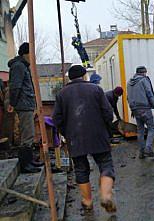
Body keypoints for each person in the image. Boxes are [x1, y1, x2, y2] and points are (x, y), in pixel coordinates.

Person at [52, 65, 116, 213]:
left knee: (81, 169)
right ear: (84, 76)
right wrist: (107, 130)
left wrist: (66, 133)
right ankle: (106, 196)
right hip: (98, 135)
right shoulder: (96, 89)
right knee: (105, 164)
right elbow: (108, 113)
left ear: (70, 78)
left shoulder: (61, 94)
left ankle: (87, 201)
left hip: (75, 138)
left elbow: (57, 119)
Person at [8, 42, 43, 173]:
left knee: (30, 134)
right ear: (25, 54)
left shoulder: (23, 66)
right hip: (23, 105)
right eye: (31, 53)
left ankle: (30, 161)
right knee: (27, 135)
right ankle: (25, 165)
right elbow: (15, 86)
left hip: (26, 104)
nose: (33, 56)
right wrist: (12, 103)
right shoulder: (19, 66)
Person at [127, 66, 154, 159]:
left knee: (140, 131)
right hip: (144, 108)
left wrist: (132, 109)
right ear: (143, 73)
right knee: (151, 128)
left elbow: (128, 97)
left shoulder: (129, 83)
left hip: (135, 109)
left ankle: (141, 152)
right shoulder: (144, 80)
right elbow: (149, 93)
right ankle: (148, 149)